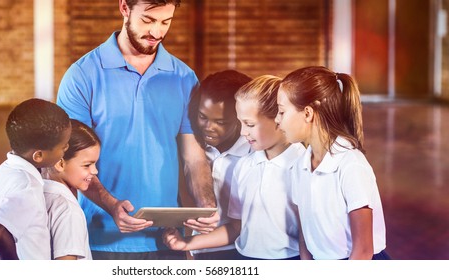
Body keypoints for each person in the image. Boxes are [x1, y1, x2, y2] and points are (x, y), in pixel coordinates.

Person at [56, 0, 218, 260]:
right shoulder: (81, 76)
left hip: (167, 239)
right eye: (148, 20)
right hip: (100, 236)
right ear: (124, 8)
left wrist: (206, 206)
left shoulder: (184, 78)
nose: (157, 32)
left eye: (166, 22)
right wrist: (111, 205)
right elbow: (71, 161)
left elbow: (194, 157)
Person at [163, 75, 305, 260]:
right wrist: (186, 243)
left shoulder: (304, 164)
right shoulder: (245, 166)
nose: (243, 132)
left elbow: (311, 233)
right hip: (240, 258)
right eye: (241, 123)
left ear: (279, 118)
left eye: (249, 124)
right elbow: (238, 227)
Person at [275, 65, 389, 260]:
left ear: (308, 113)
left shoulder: (351, 166)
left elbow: (363, 251)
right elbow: (305, 233)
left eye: (282, 112)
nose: (277, 120)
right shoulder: (299, 166)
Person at [0, 98, 72, 260]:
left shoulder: (2, 172)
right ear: (38, 155)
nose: (67, 148)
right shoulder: (27, 186)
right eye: (63, 146)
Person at [185, 69, 252, 260]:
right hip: (200, 251)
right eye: (203, 117)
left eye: (220, 122)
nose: (208, 128)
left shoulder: (254, 154)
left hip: (241, 252)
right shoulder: (192, 148)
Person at [42, 119, 100, 260]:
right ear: (60, 163)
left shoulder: (33, 190)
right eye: (87, 165)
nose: (95, 171)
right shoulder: (68, 210)